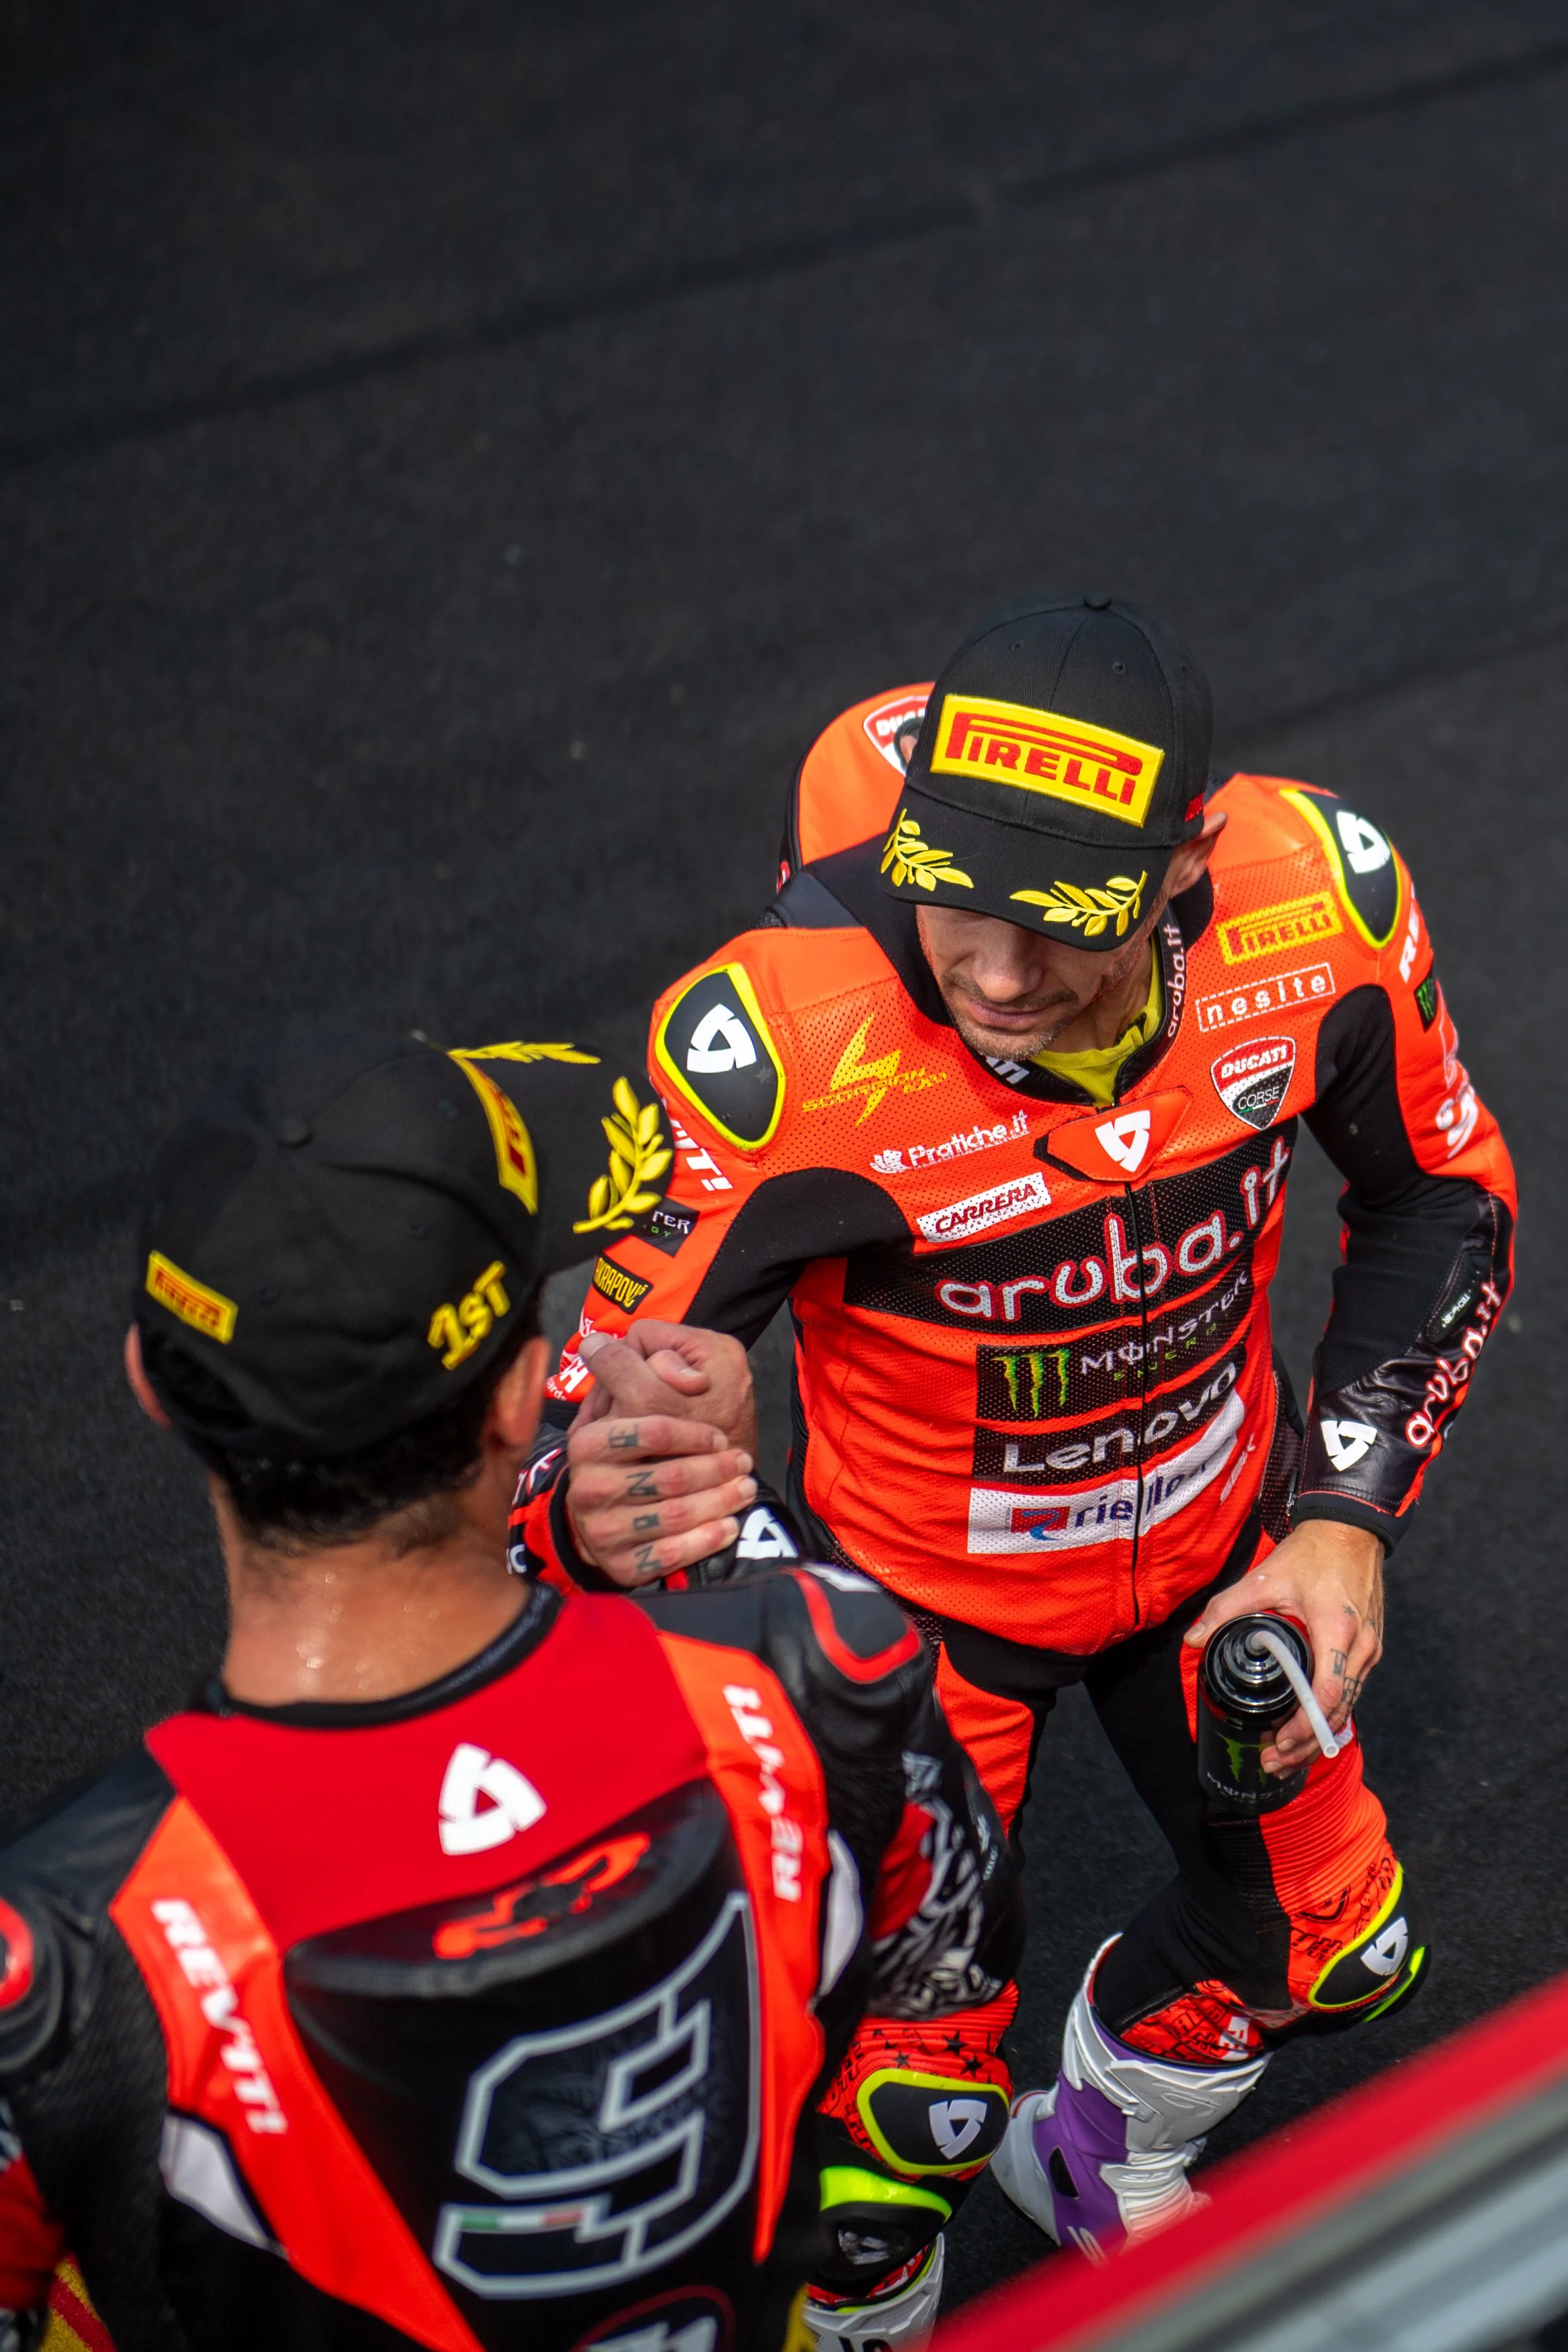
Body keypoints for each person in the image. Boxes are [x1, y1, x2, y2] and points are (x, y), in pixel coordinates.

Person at [513, 592, 1517, 2261]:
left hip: (1221, 1559)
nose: (992, 970)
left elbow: (1442, 1202)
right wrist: (623, 1510)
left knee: (1335, 1952)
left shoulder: (1323, 910)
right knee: (908, 2115)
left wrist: (1343, 1521)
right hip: (918, 1627)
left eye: (1060, 919)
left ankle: (1093, 2151)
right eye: (953, 899)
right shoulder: (784, 1043)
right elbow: (575, 1437)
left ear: (1186, 860)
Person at [0, 1030, 1019, 2352]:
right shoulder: (826, 1674)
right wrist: (723, 1532)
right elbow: (947, 1973)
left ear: (153, 1387)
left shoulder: (62, 1941)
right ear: (524, 1396)